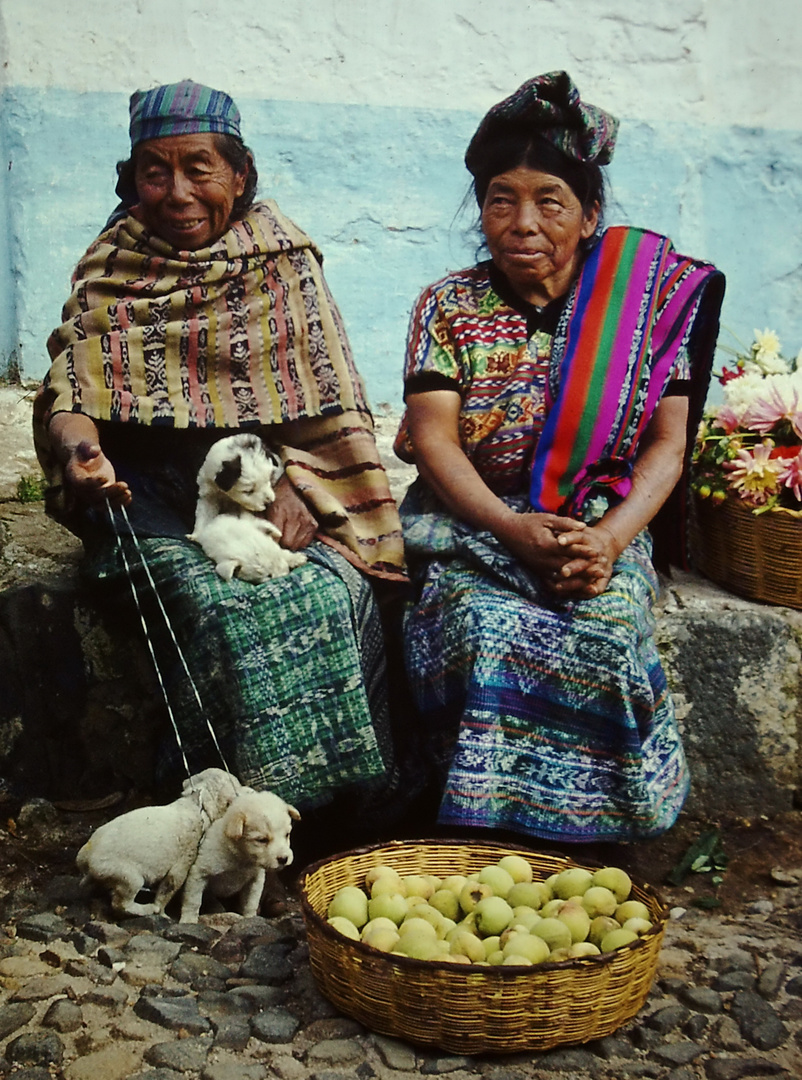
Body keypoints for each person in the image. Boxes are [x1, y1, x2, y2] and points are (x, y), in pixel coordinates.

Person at [33, 80, 410, 835]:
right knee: (212, 608)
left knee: (340, 593)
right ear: (131, 179)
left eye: (199, 167)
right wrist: (83, 457)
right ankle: (214, 823)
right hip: (142, 493)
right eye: (154, 171)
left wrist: (300, 483)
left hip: (262, 481)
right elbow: (73, 385)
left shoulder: (285, 263)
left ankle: (345, 821)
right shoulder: (114, 262)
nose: (177, 192)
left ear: (240, 174)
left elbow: (328, 400)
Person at [394, 72, 725, 845]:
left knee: (605, 626)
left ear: (590, 217)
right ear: (480, 211)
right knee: (481, 625)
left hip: (599, 527)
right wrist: (509, 530)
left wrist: (609, 542)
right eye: (501, 199)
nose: (523, 221)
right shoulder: (449, 306)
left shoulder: (644, 311)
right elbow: (435, 439)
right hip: (472, 526)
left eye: (551, 201)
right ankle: (486, 836)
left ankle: (589, 839)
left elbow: (668, 446)